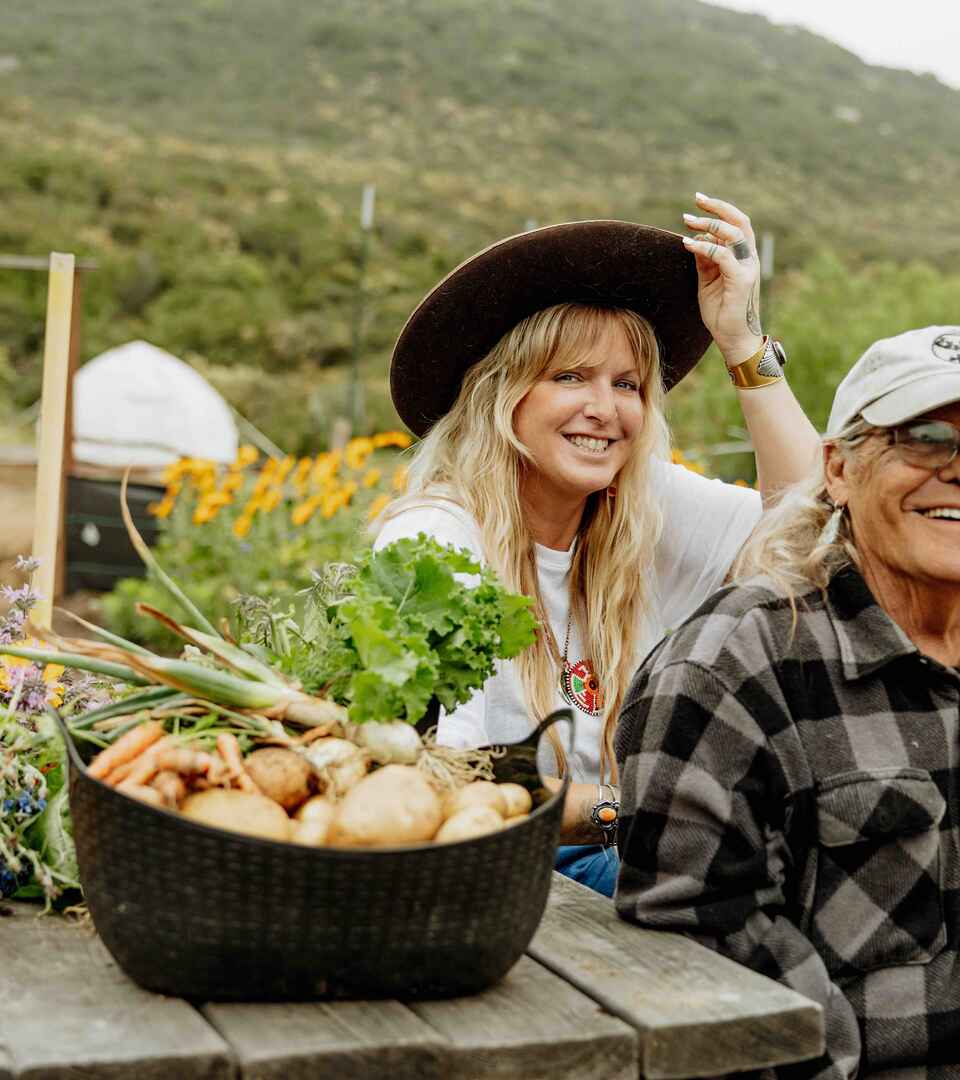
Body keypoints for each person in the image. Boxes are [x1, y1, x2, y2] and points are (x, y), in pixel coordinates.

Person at [377, 193, 820, 897]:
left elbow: (810, 529)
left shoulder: (642, 509)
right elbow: (442, 782)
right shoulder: (435, 542)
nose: (605, 410)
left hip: (616, 856)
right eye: (569, 377)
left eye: (628, 384)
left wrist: (744, 344)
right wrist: (633, 814)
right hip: (489, 867)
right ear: (503, 393)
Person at [615, 325, 960, 1074]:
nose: (955, 469)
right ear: (837, 469)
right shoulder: (734, 666)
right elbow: (701, 959)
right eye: (925, 438)